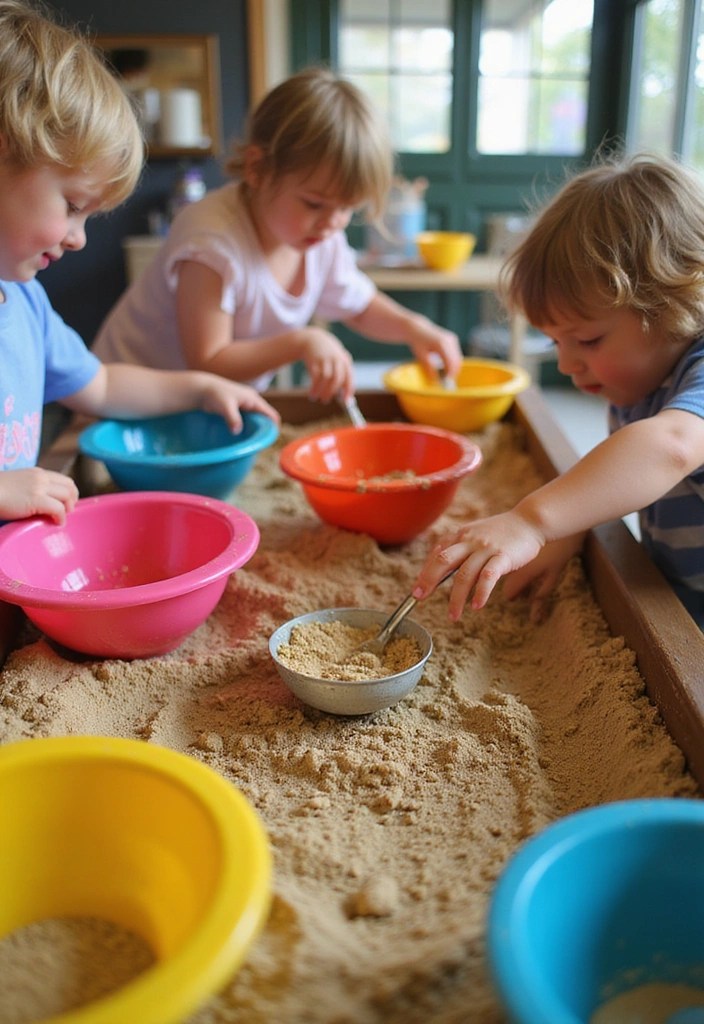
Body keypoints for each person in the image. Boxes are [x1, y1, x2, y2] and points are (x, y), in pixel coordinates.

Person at [0, 0, 279, 527]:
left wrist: (198, 386)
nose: (79, 239)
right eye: (73, 206)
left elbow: (101, 386)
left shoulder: (25, 303)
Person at [413, 151, 704, 629]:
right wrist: (570, 530)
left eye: (588, 340)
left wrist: (531, 521)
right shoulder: (637, 380)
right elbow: (621, 478)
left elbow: (669, 448)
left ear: (671, 305)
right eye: (555, 341)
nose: (567, 363)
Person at [92, 66, 462, 403]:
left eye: (347, 208)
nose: (333, 223)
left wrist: (415, 328)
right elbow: (209, 360)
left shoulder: (321, 238)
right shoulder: (211, 243)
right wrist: (303, 341)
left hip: (202, 405)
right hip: (123, 400)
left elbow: (360, 306)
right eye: (315, 204)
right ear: (257, 168)